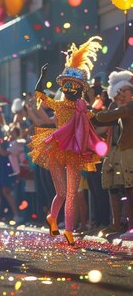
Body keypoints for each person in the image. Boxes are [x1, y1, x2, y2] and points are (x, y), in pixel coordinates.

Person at [28, 37, 104, 245]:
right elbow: (40, 96)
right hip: (56, 149)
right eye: (67, 85)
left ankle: (68, 230)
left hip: (76, 151)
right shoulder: (59, 106)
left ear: (80, 89)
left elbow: (93, 120)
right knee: (61, 192)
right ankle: (53, 218)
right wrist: (42, 77)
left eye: (74, 85)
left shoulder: (82, 109)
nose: (70, 88)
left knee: (72, 193)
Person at [94, 70, 133, 240]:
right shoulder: (124, 107)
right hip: (125, 151)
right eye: (119, 91)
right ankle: (126, 226)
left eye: (125, 91)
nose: (122, 94)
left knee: (129, 190)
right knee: (127, 191)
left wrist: (89, 113)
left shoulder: (129, 107)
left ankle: (129, 227)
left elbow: (105, 117)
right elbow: (105, 119)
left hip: (128, 151)